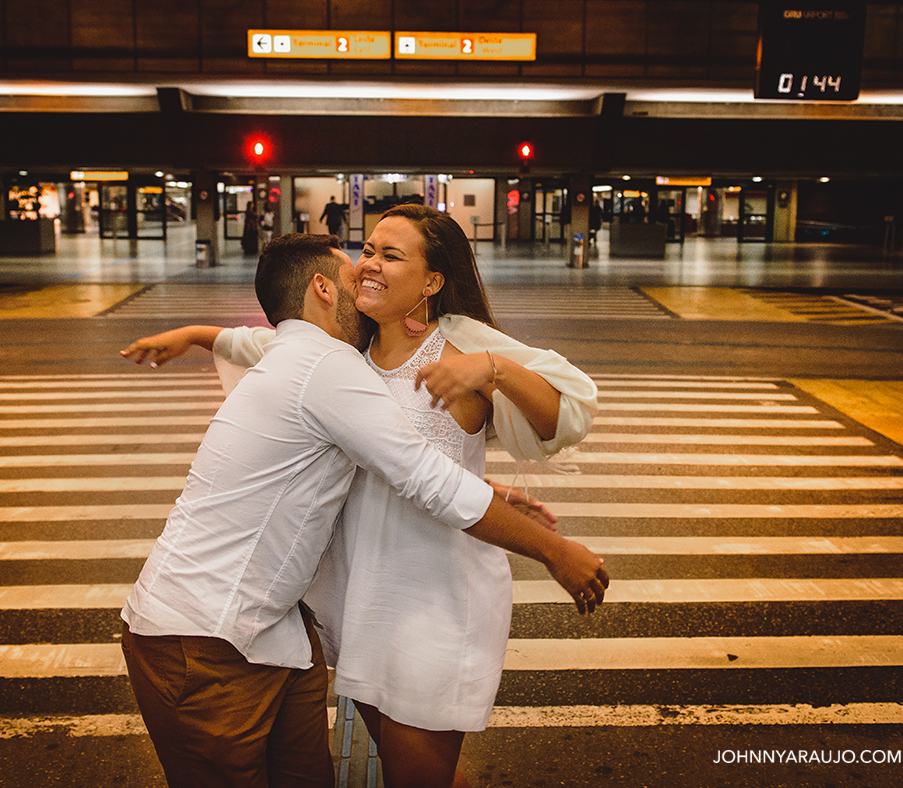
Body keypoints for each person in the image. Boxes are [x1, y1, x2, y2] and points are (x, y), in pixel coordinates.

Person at [125, 209, 602, 787]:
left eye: (389, 255)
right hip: (356, 599)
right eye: (367, 249)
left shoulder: (457, 347)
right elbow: (267, 342)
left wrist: (494, 368)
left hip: (433, 599)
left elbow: (565, 410)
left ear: (431, 282)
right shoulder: (343, 354)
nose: (369, 264)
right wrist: (195, 336)